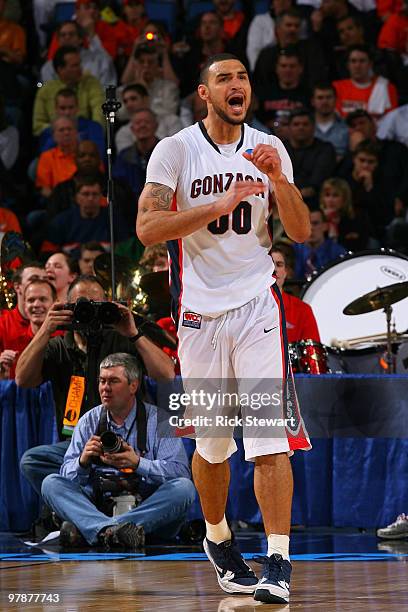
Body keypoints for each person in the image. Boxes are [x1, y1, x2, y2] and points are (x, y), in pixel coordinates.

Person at [136, 53, 311, 605]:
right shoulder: (176, 151)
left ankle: (278, 560)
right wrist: (219, 202)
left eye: (242, 78)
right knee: (212, 449)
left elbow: (302, 231)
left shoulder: (270, 147)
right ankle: (217, 538)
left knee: (267, 442)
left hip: (258, 306)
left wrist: (278, 180)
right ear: (204, 94)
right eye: (224, 79)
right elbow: (147, 228)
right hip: (198, 315)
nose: (237, 85)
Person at [17, 275, 175, 499]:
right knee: (32, 461)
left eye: (96, 306)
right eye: (82, 306)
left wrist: (133, 333)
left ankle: (82, 510)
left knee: (175, 482)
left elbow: (167, 374)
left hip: (129, 442)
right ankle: (87, 507)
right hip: (80, 445)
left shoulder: (120, 339)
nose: (88, 314)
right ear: (69, 307)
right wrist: (46, 329)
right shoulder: (59, 346)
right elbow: (22, 379)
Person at [41, 352, 195, 549]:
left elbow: (180, 472)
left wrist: (138, 463)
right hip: (98, 503)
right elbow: (67, 478)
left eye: (113, 381)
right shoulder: (88, 421)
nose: (105, 388)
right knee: (51, 483)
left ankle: (100, 530)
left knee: (184, 488)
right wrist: (82, 461)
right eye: (102, 381)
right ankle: (114, 532)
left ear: (133, 385)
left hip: (147, 505)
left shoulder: (159, 419)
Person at [41, 175, 130, 258]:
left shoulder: (114, 219)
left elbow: (125, 251)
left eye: (95, 194)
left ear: (100, 197)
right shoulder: (61, 221)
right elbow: (48, 253)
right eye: (86, 194)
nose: (90, 198)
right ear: (77, 198)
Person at [32, 45, 104, 137]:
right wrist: (63, 130)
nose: (80, 69)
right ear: (60, 69)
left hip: (85, 136)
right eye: (75, 66)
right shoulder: (45, 90)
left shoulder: (91, 83)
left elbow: (99, 117)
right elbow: (38, 126)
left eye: (79, 64)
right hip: (54, 138)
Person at [0, 279, 59, 379]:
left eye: (43, 299)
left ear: (55, 303)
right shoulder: (14, 343)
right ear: (25, 306)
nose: (36, 305)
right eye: (31, 300)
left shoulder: (63, 341)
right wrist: (2, 376)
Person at [271, 246, 320, 342]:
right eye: (270, 265)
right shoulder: (248, 307)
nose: (274, 269)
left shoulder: (302, 310)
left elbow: (312, 353)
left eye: (279, 265)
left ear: (287, 272)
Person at [293, 209, 347, 279]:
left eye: (315, 223)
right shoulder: (292, 251)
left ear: (325, 226)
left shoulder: (338, 252)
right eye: (306, 223)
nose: (311, 228)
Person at [35, 116, 78, 198]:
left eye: (69, 129)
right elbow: (44, 189)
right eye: (61, 130)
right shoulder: (47, 157)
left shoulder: (87, 154)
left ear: (76, 132)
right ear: (54, 135)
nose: (66, 133)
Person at [311, 82, 349, 160]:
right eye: (320, 98)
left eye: (329, 97)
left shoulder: (347, 127)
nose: (325, 102)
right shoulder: (303, 126)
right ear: (313, 101)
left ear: (336, 100)